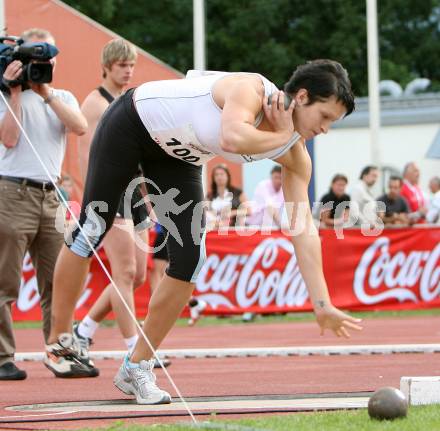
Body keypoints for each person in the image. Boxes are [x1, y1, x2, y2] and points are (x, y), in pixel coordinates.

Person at [44, 59, 362, 404]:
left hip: (179, 156)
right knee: (94, 224)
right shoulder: (251, 88)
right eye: (326, 117)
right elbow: (233, 136)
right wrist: (283, 135)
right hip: (133, 122)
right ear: (301, 97)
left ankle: (137, 367)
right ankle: (61, 338)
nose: (326, 129)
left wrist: (322, 303)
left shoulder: (296, 155)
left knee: (191, 259)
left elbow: (304, 230)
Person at [0, 28, 86, 380]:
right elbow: (9, 139)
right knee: (5, 281)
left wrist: (46, 93)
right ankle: (3, 356)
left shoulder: (61, 95)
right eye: (35, 57)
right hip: (12, 193)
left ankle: (60, 353)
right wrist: (14, 92)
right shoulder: (6, 96)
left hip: (51, 195)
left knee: (57, 281)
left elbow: (79, 127)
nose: (43, 63)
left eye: (48, 56)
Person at [72, 39, 151, 370]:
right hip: (109, 190)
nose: (128, 71)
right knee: (125, 270)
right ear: (106, 66)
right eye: (122, 65)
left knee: (138, 276)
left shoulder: (129, 100)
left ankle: (84, 328)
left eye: (131, 65)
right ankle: (136, 348)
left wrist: (148, 195)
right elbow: (86, 157)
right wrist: (90, 199)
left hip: (133, 191)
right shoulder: (95, 103)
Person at [206, 163, 250, 228]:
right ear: (213, 178)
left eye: (222, 174)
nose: (219, 177)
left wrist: (232, 213)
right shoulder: (209, 196)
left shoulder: (238, 193)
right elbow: (205, 213)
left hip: (235, 229)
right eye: (216, 175)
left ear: (228, 176)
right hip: (215, 230)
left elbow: (249, 210)